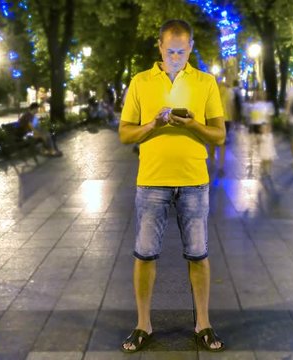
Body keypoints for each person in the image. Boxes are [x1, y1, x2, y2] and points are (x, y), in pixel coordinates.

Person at [118, 19, 225, 353]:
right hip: (151, 181)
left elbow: (219, 135)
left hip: (194, 181)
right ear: (160, 47)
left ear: (191, 47)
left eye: (183, 50)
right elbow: (125, 133)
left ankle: (203, 323)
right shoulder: (140, 81)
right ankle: (143, 324)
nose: (177, 56)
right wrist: (154, 123)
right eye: (171, 50)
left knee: (198, 255)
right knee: (145, 254)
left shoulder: (206, 82)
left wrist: (192, 123)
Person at [208, 79, 233, 176]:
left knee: (212, 141)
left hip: (213, 118)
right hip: (225, 119)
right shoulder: (227, 91)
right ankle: (221, 166)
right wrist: (232, 118)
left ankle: (212, 161)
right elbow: (230, 105)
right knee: (222, 144)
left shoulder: (212, 88)